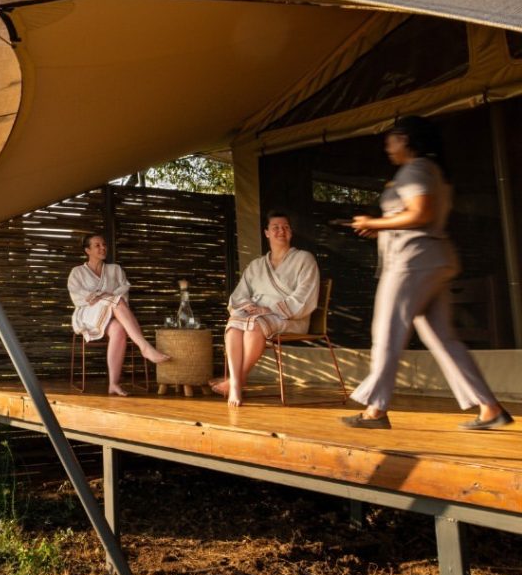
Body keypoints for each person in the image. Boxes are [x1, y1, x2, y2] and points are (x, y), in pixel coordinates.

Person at [343, 115, 513, 430]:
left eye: (392, 137)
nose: (387, 144)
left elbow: (421, 214)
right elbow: (418, 217)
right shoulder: (429, 171)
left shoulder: (417, 169)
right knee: (443, 339)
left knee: (387, 332)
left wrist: (374, 222)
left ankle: (375, 410)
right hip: (431, 260)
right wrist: (381, 231)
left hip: (413, 262)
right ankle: (490, 408)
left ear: (408, 139)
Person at [213, 210, 320, 407]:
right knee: (235, 324)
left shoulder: (305, 259)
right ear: (266, 233)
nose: (281, 231)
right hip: (257, 316)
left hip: (291, 318)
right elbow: (239, 295)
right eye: (276, 227)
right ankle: (237, 382)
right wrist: (250, 306)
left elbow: (305, 295)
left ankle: (237, 380)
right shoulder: (256, 265)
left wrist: (269, 309)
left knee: (254, 324)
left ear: (291, 233)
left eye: (286, 227)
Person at [67, 233, 169, 396]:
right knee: (116, 300)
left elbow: (123, 289)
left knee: (119, 328)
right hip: (87, 313)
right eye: (97, 245)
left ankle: (113, 383)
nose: (103, 248)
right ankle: (144, 347)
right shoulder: (77, 272)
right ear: (87, 250)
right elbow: (77, 297)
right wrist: (103, 297)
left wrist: (107, 296)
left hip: (112, 313)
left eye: (104, 244)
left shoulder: (115, 269)